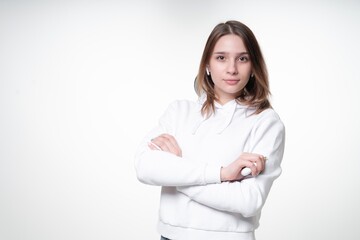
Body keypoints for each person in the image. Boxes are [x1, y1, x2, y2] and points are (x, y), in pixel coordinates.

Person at [134, 20, 285, 240]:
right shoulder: (179, 112)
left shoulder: (266, 122)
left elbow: (248, 200)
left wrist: (176, 172)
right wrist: (223, 174)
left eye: (242, 58)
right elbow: (144, 167)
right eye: (221, 57)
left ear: (253, 66)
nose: (232, 68)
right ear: (207, 64)